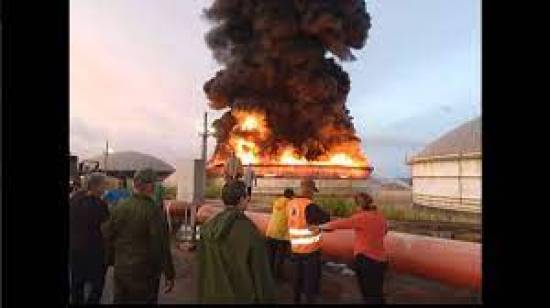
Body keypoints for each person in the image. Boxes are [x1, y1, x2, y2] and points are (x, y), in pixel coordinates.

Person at [101, 168, 175, 304]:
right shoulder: (153, 211)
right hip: (145, 274)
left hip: (121, 270)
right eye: (154, 184)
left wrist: (112, 259)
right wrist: (169, 274)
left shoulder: (120, 207)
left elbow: (107, 234)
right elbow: (161, 246)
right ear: (149, 186)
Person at [197, 180, 276, 304]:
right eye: (246, 196)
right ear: (241, 199)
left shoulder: (207, 228)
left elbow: (201, 269)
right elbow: (261, 277)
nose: (248, 199)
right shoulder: (250, 232)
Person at [321, 192, 389, 304]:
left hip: (366, 260)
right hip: (381, 261)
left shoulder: (360, 217)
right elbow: (385, 231)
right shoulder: (380, 217)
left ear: (359, 205)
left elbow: (339, 224)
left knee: (368, 293)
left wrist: (319, 227)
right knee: (377, 292)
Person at [287, 178, 330, 304]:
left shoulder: (291, 204)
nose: (313, 195)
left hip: (295, 249)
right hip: (310, 251)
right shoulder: (310, 206)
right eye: (313, 191)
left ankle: (296, 300)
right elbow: (325, 218)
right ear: (310, 190)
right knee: (310, 282)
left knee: (297, 280)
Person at [69, 172, 110, 304]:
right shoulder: (99, 204)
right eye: (104, 185)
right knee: (97, 285)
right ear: (96, 186)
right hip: (94, 253)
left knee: (77, 284)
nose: (105, 188)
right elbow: (107, 229)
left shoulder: (73, 199)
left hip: (74, 251)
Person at [265, 188, 294, 280]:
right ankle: (277, 277)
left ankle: (268, 275)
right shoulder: (291, 204)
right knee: (280, 257)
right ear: (291, 196)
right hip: (282, 235)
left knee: (271, 256)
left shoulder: (277, 202)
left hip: (270, 232)